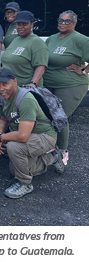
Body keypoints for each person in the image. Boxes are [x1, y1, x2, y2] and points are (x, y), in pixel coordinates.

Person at [0, 68, 64, 199]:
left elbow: (22, 136)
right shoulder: (2, 99)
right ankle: (52, 157)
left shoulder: (26, 100)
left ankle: (25, 184)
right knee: (14, 170)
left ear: (15, 82)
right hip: (29, 137)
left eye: (5, 84)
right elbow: (4, 119)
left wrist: (1, 137)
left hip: (45, 136)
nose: (1, 88)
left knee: (13, 147)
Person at [43, 10, 89, 165]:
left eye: (67, 21)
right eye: (60, 20)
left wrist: (82, 70)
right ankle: (50, 145)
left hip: (71, 84)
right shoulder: (51, 39)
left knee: (60, 117)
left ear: (74, 24)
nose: (63, 23)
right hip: (49, 83)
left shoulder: (80, 39)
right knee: (48, 116)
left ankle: (63, 150)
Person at [1, 10, 48, 88]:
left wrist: (33, 83)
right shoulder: (16, 40)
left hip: (25, 89)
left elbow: (41, 66)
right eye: (18, 24)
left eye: (25, 24)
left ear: (32, 24)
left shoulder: (36, 42)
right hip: (9, 88)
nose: (21, 27)